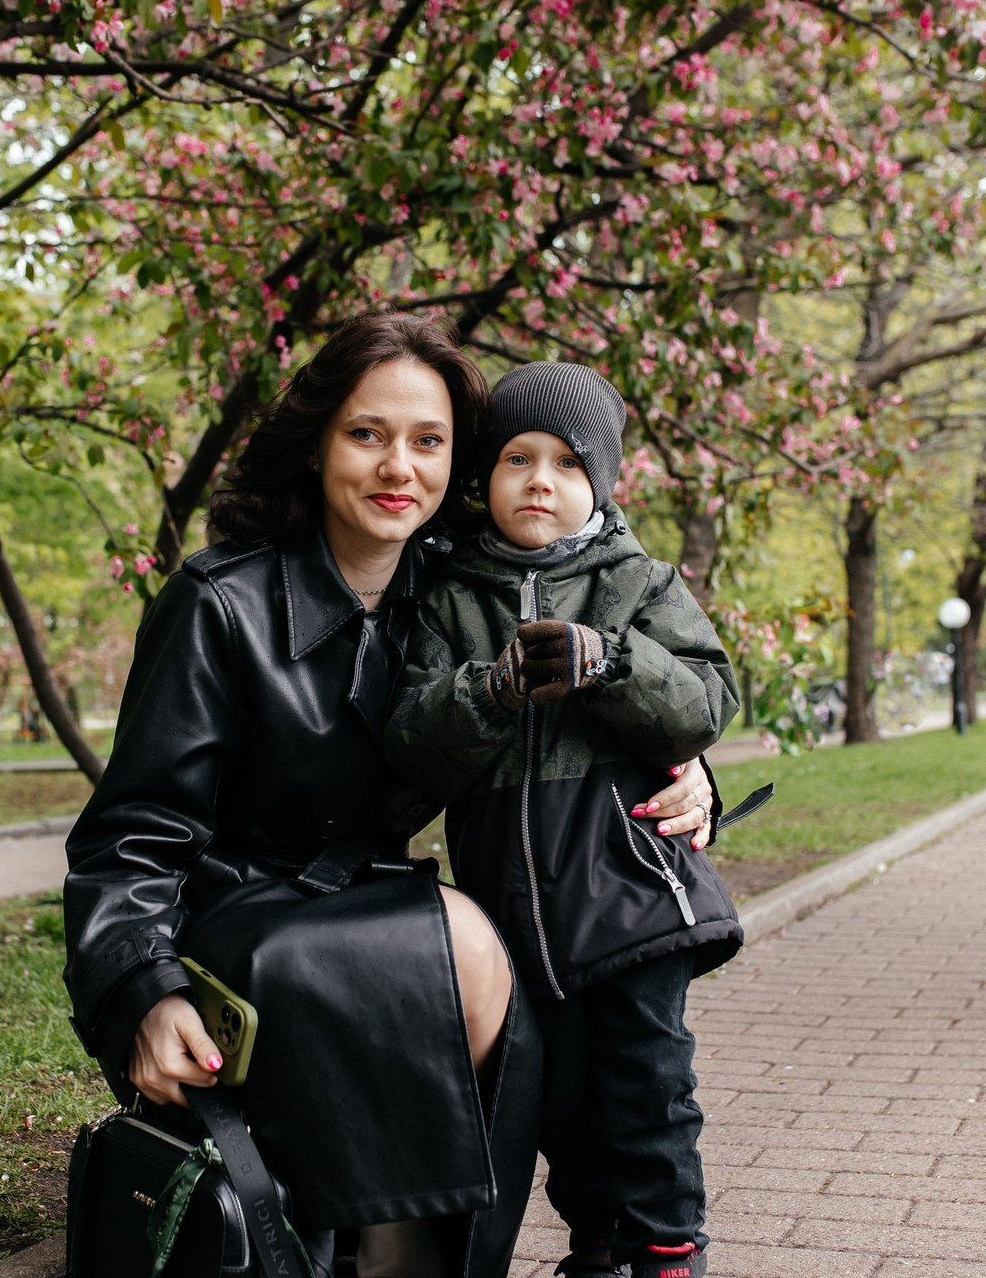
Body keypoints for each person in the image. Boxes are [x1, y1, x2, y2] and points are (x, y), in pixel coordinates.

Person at [62, 318, 719, 1278]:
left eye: (428, 441)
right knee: (451, 940)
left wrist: (685, 769)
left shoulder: (466, 588)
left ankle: (471, 1252)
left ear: (459, 462)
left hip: (372, 893)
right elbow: (132, 834)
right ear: (320, 442)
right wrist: (142, 989)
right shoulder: (219, 602)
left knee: (517, 981)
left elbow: (617, 673)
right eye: (368, 434)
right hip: (239, 904)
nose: (396, 467)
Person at [385, 361, 743, 1278]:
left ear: (602, 482)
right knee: (561, 1103)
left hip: (629, 892)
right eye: (516, 458)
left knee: (649, 1085)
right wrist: (489, 690)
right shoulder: (451, 598)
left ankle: (668, 1247)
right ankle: (598, 1248)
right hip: (513, 908)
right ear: (484, 476)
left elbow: (706, 697)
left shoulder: (639, 583)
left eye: (566, 463)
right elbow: (415, 741)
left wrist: (611, 662)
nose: (539, 480)